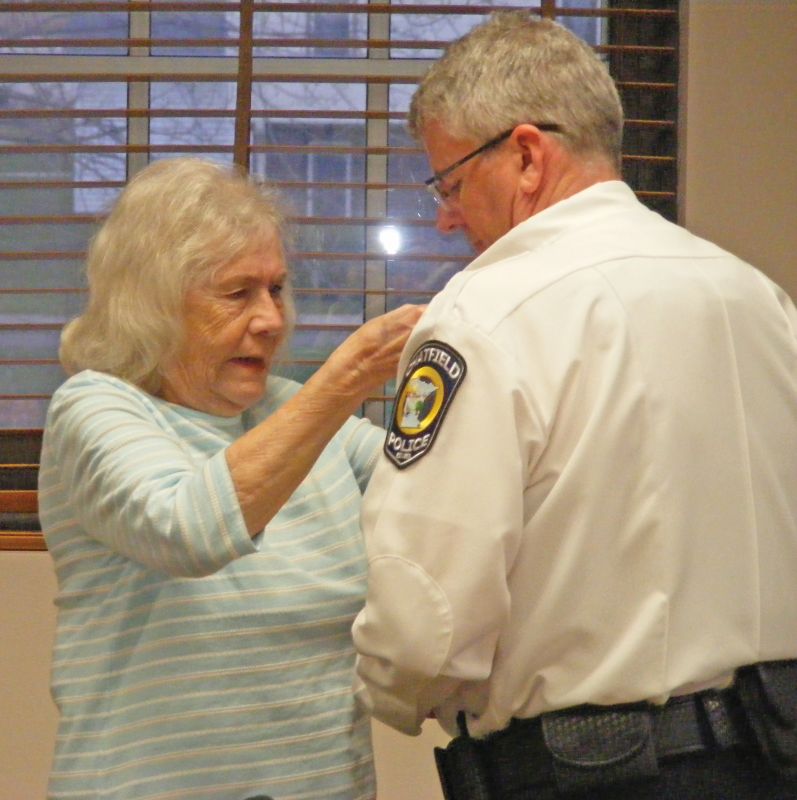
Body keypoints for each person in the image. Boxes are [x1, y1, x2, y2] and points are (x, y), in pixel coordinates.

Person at [351, 11, 797, 800]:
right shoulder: (757, 299)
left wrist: (379, 684)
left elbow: (424, 622)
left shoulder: (486, 314)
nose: (446, 216)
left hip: (594, 771)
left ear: (525, 155)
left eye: (450, 183)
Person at [37, 156, 423, 800]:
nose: (271, 318)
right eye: (237, 293)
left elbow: (431, 488)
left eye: (276, 288)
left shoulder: (289, 412)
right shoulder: (96, 408)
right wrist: (346, 379)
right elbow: (189, 529)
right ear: (154, 303)